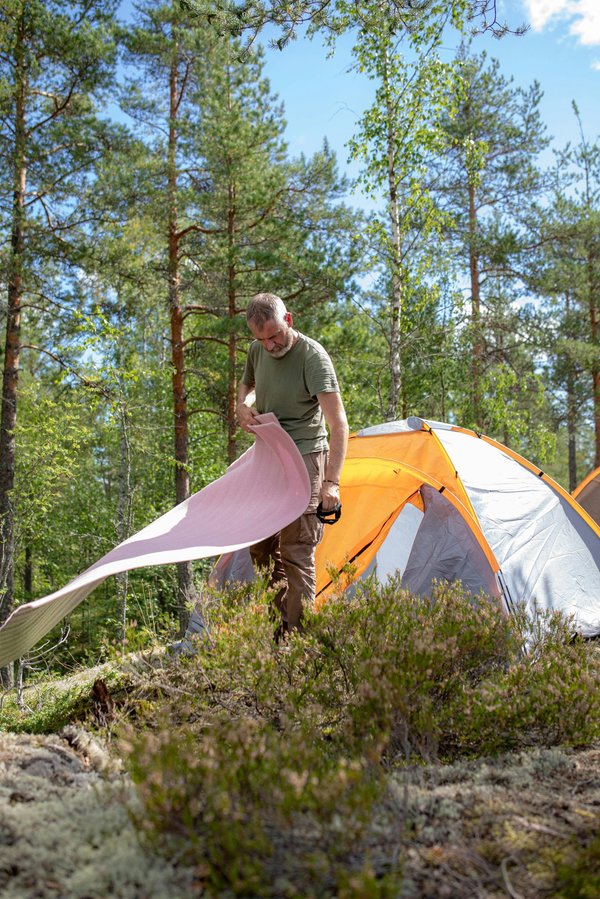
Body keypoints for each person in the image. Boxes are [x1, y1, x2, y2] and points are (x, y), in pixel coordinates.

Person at [237, 292, 349, 637]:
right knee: (261, 547)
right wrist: (240, 405)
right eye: (261, 339)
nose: (269, 345)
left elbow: (339, 424)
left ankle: (300, 648)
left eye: (274, 335)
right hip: (268, 458)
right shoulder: (257, 350)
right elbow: (246, 384)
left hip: (306, 460)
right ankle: (282, 632)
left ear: (289, 320)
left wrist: (331, 483)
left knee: (296, 551)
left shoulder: (312, 358)